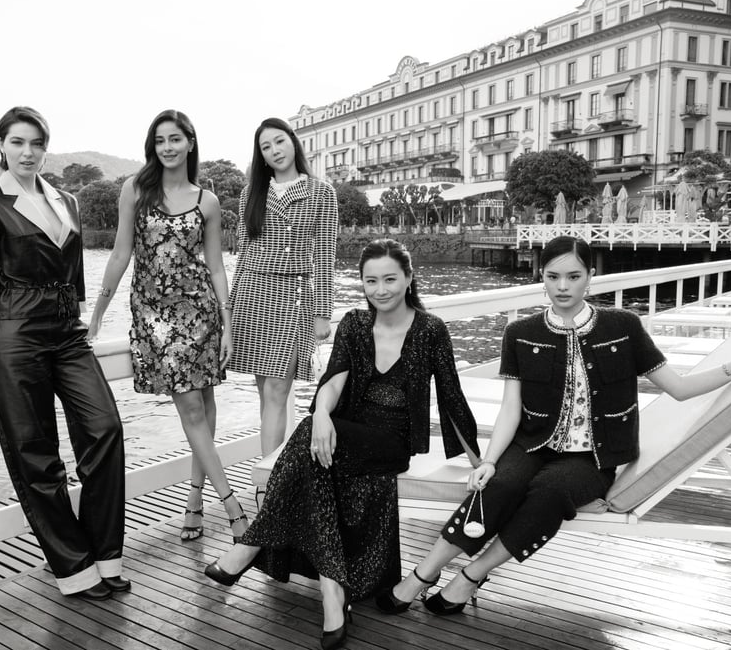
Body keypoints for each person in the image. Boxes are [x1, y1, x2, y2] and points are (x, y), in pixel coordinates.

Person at [376, 235, 731, 617]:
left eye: (573, 276)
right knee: (498, 485)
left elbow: (680, 389)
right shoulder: (520, 332)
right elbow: (511, 410)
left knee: (551, 493)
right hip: (531, 444)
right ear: (541, 278)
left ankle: (471, 576)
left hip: (593, 458)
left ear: (591, 277)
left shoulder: (623, 326)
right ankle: (423, 575)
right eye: (553, 276)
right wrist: (488, 461)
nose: (563, 286)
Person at [205, 239, 479, 650]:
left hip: (391, 442)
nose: (380, 290)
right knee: (314, 451)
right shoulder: (353, 323)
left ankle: (250, 547)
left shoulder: (429, 329)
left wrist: (481, 460)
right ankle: (333, 591)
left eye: (390, 279)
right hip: (346, 431)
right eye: (371, 281)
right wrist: (320, 415)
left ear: (408, 278)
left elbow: (452, 396)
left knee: (309, 446)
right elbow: (333, 379)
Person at [0, 106, 130, 601]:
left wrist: (82, 316)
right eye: (17, 143)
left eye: (36, 143)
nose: (27, 152)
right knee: (35, 453)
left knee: (105, 429)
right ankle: (74, 568)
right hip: (15, 330)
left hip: (67, 330)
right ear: (1, 146)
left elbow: (74, 271)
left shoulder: (68, 201)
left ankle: (105, 555)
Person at [86, 110, 247, 542]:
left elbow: (215, 267)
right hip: (156, 314)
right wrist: (98, 310)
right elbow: (121, 253)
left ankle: (194, 504)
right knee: (193, 408)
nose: (168, 147)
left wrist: (228, 323)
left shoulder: (207, 200)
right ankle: (233, 510)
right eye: (160, 141)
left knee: (206, 405)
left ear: (190, 143)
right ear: (152, 146)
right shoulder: (136, 190)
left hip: (203, 312)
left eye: (176, 139)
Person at [228, 117, 339, 458]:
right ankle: (270, 482)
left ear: (293, 142)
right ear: (260, 156)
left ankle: (269, 485)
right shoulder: (252, 193)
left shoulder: (321, 192)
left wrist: (323, 313)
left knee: (277, 390)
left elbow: (324, 257)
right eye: (266, 147)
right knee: (267, 394)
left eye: (279, 141)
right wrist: (229, 310)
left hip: (294, 300)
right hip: (253, 296)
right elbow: (243, 254)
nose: (274, 150)